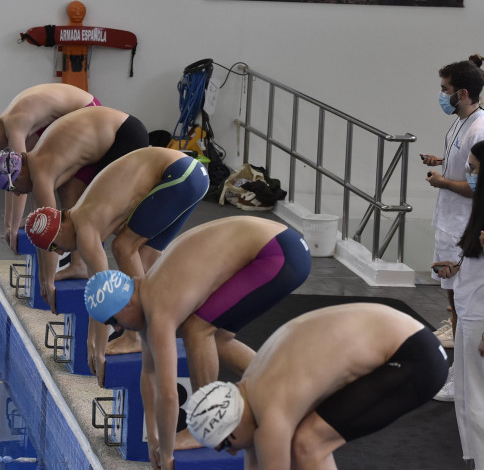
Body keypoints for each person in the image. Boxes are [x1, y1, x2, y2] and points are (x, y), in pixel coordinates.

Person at [83, 216, 310, 465]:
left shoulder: (159, 308)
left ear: (126, 303)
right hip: (283, 246)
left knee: (197, 330)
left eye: (113, 321)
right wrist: (155, 439)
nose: (117, 328)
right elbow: (149, 375)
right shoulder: (146, 291)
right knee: (218, 338)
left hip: (278, 254)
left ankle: (206, 427)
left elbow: (169, 394)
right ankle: (283, 392)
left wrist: (168, 454)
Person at [184, 304, 448, 470]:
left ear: (232, 424)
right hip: (407, 340)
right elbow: (255, 454)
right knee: (303, 442)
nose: (231, 452)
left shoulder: (271, 408)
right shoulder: (253, 387)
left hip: (415, 358)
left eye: (225, 445)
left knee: (308, 444)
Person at [23, 148, 209, 384]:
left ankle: (135, 336)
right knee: (143, 257)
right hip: (192, 175)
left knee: (123, 247)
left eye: (54, 246)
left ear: (59, 228)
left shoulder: (86, 228)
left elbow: (103, 289)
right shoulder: (83, 213)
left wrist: (97, 348)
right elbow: (100, 288)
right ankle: (154, 326)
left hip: (180, 175)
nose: (60, 252)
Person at [0, 105, 149, 310]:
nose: (19, 194)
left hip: (124, 136)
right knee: (73, 195)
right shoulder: (37, 160)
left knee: (105, 220)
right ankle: (81, 265)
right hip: (110, 133)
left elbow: (49, 232)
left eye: (14, 189)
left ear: (20, 173)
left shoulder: (41, 173)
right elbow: (43, 230)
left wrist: (47, 281)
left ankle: (122, 297)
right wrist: (43, 276)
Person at [0, 83, 100, 253]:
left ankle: (68, 247)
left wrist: (13, 228)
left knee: (64, 188)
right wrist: (8, 223)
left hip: (89, 111)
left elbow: (19, 178)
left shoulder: (14, 125)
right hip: (78, 110)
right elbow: (12, 181)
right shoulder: (5, 120)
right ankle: (37, 216)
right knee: (31, 162)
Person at [421, 57, 484, 401]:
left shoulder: (479, 129)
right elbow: (467, 164)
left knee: (465, 307)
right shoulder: (462, 123)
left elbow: (478, 186)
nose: (441, 95)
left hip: (465, 230)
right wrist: (442, 162)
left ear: (462, 92)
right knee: (454, 304)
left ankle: (465, 379)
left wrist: (444, 182)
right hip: (449, 225)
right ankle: (460, 371)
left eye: (444, 90)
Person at [433, 138, 484, 468]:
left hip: (480, 317)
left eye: (475, 169)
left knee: (477, 400)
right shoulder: (480, 210)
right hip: (470, 308)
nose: (469, 173)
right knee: (467, 397)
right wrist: (458, 267)